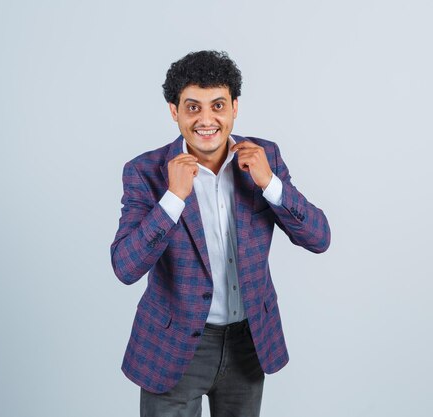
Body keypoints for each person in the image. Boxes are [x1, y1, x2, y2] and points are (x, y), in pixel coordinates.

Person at [110, 50, 331, 417]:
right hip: (174, 346)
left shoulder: (266, 158)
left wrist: (270, 183)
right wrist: (172, 199)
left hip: (249, 342)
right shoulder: (144, 172)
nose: (207, 119)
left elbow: (319, 238)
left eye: (217, 105)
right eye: (193, 107)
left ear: (234, 107)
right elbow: (125, 267)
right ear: (174, 111)